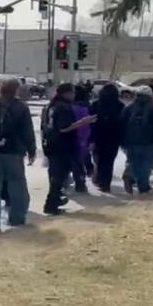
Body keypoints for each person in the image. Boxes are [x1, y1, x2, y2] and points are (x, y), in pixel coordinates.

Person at [0, 79, 36, 232]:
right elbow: (27, 131)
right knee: (16, 185)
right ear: (16, 90)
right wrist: (31, 150)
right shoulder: (21, 107)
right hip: (14, 152)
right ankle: (17, 218)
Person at [42, 84, 97, 215]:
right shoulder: (63, 107)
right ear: (66, 93)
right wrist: (83, 122)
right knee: (59, 176)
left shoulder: (52, 105)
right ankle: (51, 204)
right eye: (72, 93)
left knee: (57, 176)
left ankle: (54, 200)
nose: (74, 96)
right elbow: (64, 127)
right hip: (62, 145)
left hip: (52, 143)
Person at [120, 86, 153, 195]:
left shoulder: (128, 108)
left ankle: (129, 175)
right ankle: (143, 187)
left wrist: (122, 141)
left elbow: (121, 125)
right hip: (149, 142)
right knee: (145, 165)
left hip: (131, 142)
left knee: (133, 162)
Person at [90, 83, 125, 192]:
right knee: (109, 161)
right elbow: (122, 122)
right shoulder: (120, 106)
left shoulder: (95, 105)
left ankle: (100, 179)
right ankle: (106, 183)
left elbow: (91, 122)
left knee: (99, 159)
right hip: (113, 137)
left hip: (98, 136)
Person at [71, 85, 94, 193]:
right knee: (82, 157)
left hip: (72, 136)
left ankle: (79, 182)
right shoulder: (88, 107)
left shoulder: (70, 107)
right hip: (85, 137)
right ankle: (86, 172)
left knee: (75, 161)